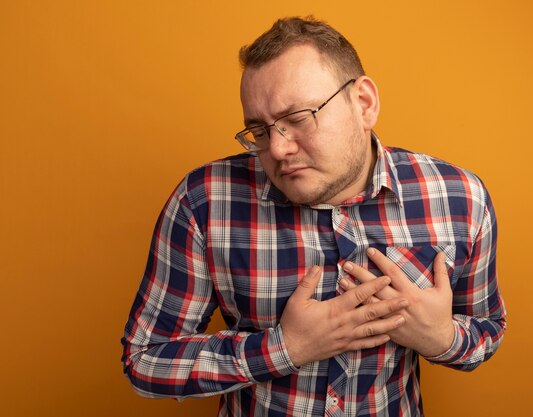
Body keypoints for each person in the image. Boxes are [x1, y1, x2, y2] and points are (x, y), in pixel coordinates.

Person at [121, 16, 506, 417]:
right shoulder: (205, 201)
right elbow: (147, 358)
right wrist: (284, 348)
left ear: (364, 104)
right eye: (259, 131)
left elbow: (487, 329)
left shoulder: (461, 199)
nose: (279, 149)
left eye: (298, 119)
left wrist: (442, 338)